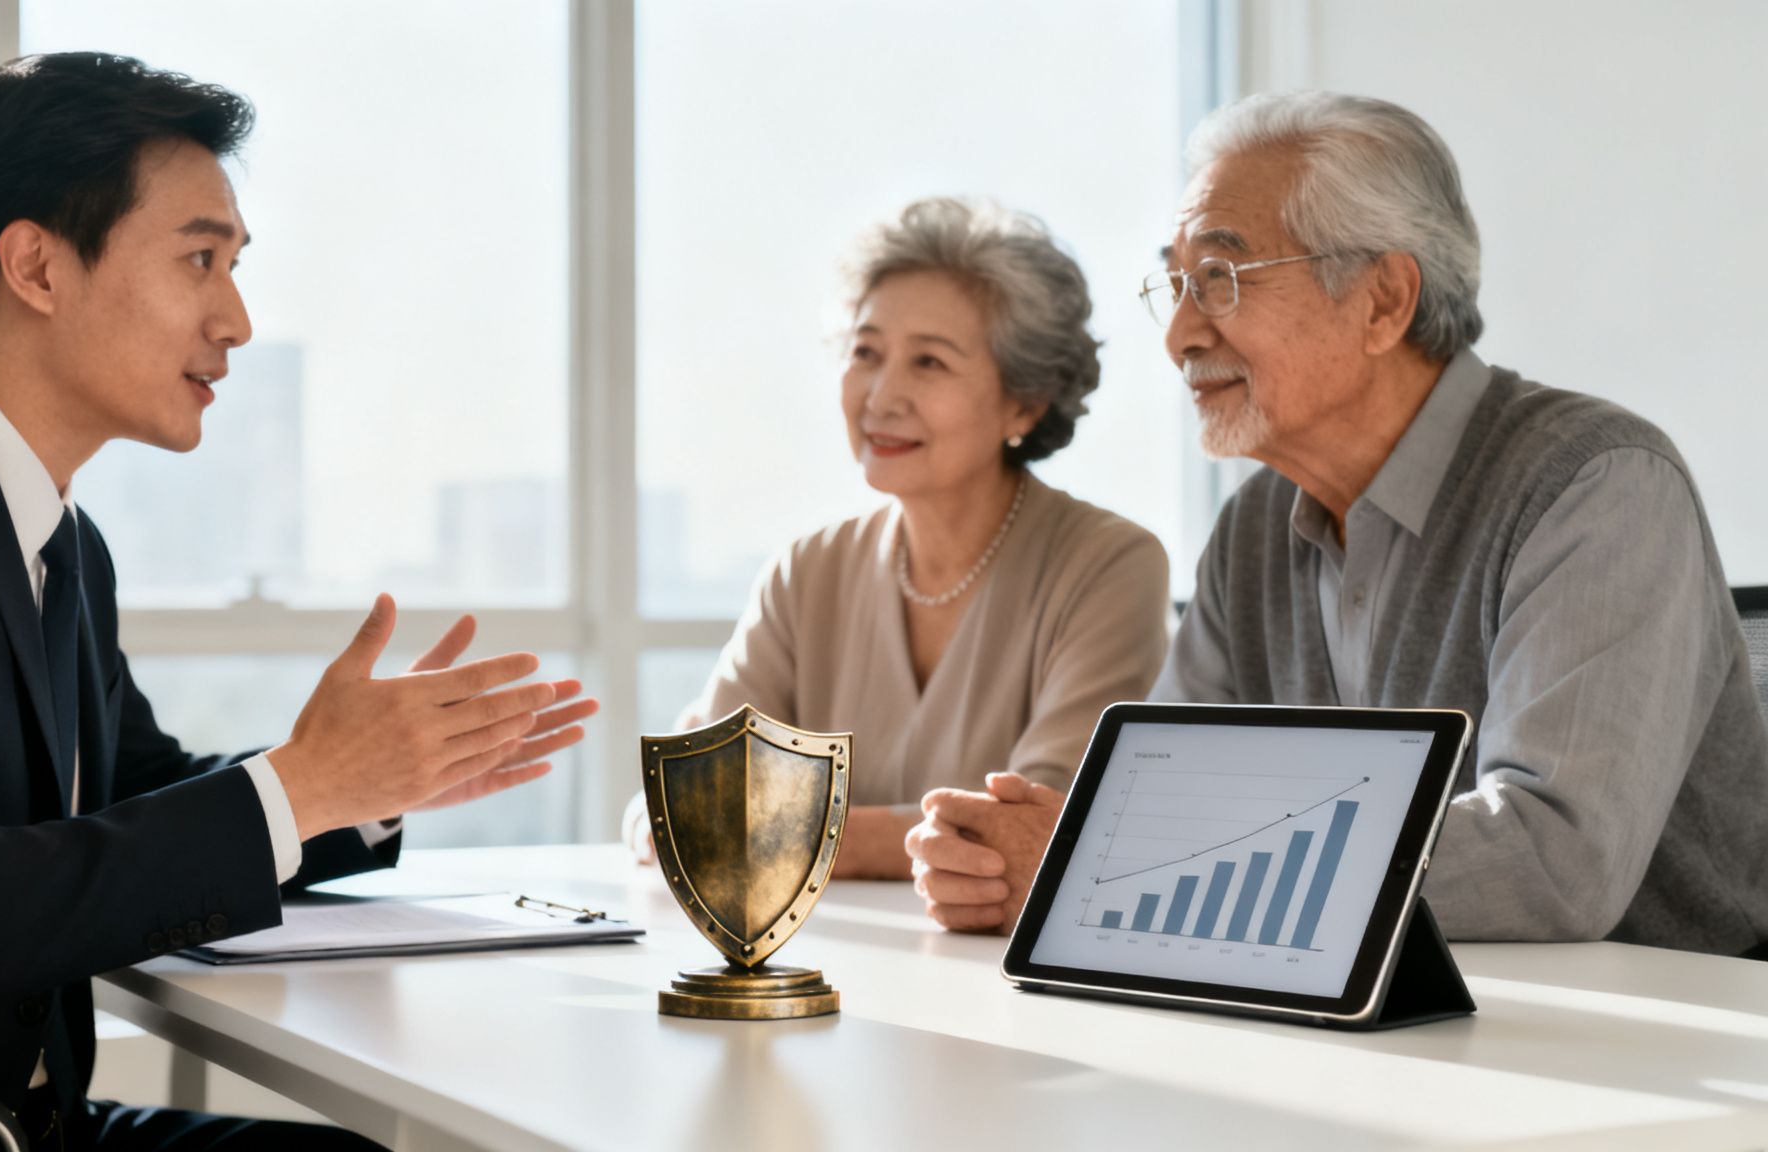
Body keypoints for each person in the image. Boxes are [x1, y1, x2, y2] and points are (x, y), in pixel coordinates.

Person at [0, 54, 596, 1149]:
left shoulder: (59, 538)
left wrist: (363, 785)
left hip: (22, 1120)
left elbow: (132, 794)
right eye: (199, 259)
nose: (233, 317)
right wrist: (297, 785)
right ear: (35, 265)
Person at [905, 92, 1768, 957]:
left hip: (1659, 1036)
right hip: (1373, 1021)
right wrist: (1019, 858)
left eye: (1220, 277)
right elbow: (1151, 800)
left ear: (1384, 300)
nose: (1178, 333)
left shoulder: (1595, 481)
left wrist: (1097, 864)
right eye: (1174, 283)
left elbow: (1551, 857)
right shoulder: (1253, 528)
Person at [628, 198, 1169, 878]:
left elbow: (1045, 827)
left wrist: (783, 835)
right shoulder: (807, 571)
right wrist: (686, 819)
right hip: (816, 958)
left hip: (991, 974)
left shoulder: (1109, 564)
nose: (881, 395)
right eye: (866, 352)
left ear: (1024, 402)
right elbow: (684, 801)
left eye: (930, 363)